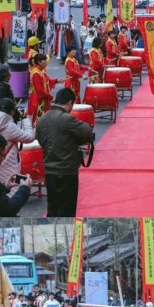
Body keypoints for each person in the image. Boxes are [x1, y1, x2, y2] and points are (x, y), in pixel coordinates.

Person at [35, 87, 93, 217]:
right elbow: (87, 131)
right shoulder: (66, 118)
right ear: (69, 103)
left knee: (53, 208)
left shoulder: (42, 119)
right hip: (66, 171)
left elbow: (39, 139)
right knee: (66, 211)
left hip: (49, 171)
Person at [28, 53, 58, 125]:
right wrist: (51, 97)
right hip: (39, 100)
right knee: (39, 119)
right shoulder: (36, 73)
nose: (46, 62)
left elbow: (47, 81)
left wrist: (57, 80)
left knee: (44, 118)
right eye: (44, 60)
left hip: (44, 98)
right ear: (39, 62)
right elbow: (40, 90)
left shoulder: (42, 71)